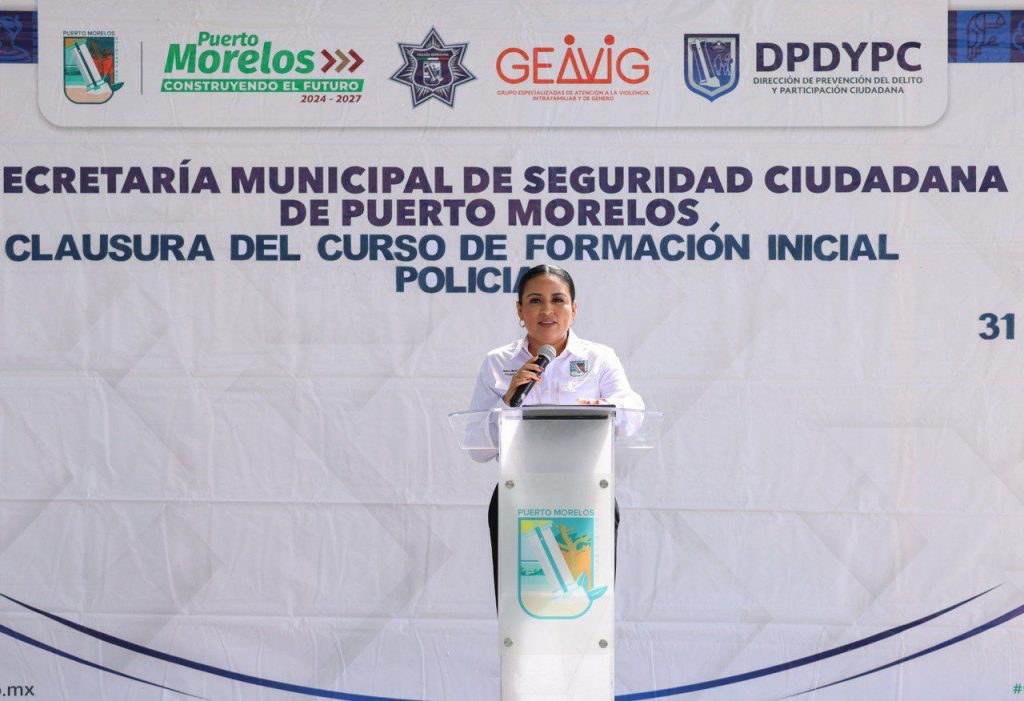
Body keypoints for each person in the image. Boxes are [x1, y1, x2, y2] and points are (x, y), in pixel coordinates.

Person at [467, 264, 644, 606]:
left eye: (558, 300)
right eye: (535, 301)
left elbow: (632, 415)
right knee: (524, 607)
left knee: (584, 606)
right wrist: (508, 400)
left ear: (573, 309)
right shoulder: (498, 362)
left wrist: (598, 408)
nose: (547, 310)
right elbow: (477, 446)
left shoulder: (598, 358)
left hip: (586, 496)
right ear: (520, 310)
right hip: (518, 497)